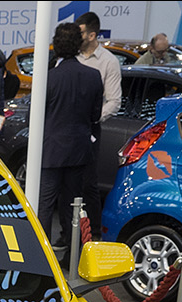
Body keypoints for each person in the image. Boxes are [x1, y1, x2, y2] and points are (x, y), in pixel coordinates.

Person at [37, 22, 102, 255]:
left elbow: (36, 116)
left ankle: (41, 258)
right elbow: (95, 115)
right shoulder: (93, 76)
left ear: (56, 44)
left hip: (51, 150)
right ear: (79, 44)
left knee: (45, 205)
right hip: (79, 149)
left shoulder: (48, 78)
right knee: (74, 205)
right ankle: (72, 256)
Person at [74, 11, 120, 234]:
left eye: (80, 33)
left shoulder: (108, 61)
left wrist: (92, 117)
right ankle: (68, 233)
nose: (76, 37)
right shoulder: (71, 58)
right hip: (67, 125)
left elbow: (114, 101)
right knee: (67, 183)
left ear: (92, 35)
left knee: (88, 183)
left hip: (89, 127)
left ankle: (92, 233)